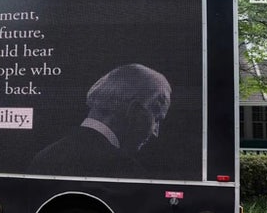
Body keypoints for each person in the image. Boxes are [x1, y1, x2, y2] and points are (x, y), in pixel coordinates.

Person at [28, 63, 171, 178]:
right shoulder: (125, 169)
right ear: (133, 110)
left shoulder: (44, 156)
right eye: (156, 118)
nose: (155, 132)